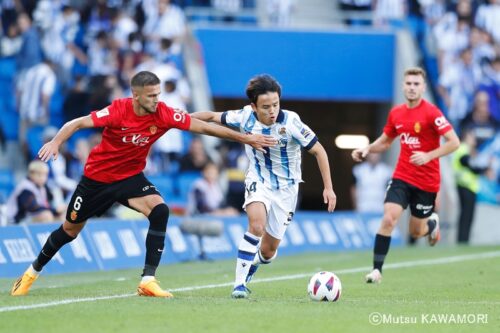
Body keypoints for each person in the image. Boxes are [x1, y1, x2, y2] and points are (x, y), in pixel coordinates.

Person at [10, 71, 276, 298]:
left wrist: (246, 139)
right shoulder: (117, 110)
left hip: (131, 178)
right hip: (97, 180)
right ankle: (31, 273)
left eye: (158, 94)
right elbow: (76, 123)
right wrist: (56, 142)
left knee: (160, 210)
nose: (156, 100)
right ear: (136, 96)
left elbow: (203, 128)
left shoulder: (163, 114)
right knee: (69, 230)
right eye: (151, 95)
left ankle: (148, 280)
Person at [191, 74, 337, 298]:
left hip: (287, 189)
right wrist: (177, 119)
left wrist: (328, 188)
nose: (272, 111)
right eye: (266, 106)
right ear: (254, 106)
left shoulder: (291, 122)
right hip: (258, 180)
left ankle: (255, 262)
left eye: (276, 104)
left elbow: (319, 151)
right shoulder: (244, 116)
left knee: (268, 252)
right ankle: (239, 285)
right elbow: (210, 116)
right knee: (256, 225)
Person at [352, 67, 460, 284]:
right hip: (403, 176)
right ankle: (376, 270)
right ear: (403, 86)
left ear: (423, 87)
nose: (412, 88)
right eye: (408, 84)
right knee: (389, 218)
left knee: (416, 230)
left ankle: (430, 225)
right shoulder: (397, 113)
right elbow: (385, 141)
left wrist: (428, 156)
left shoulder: (432, 113)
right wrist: (367, 149)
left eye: (416, 84)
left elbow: (454, 142)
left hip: (427, 182)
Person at [452, 130, 489, 244]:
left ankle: (463, 239)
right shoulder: (463, 149)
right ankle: (463, 240)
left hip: (466, 186)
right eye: (472, 137)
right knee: (467, 215)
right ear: (466, 137)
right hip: (466, 186)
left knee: (466, 214)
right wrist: (484, 170)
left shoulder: (466, 150)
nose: (474, 139)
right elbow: (468, 164)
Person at [6, 160, 64, 224]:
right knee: (46, 215)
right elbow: (33, 208)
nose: (43, 178)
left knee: (62, 216)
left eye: (45, 175)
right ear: (31, 174)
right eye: (39, 175)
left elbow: (49, 202)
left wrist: (58, 210)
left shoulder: (42, 187)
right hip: (17, 221)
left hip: (30, 217)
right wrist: (55, 210)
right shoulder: (25, 188)